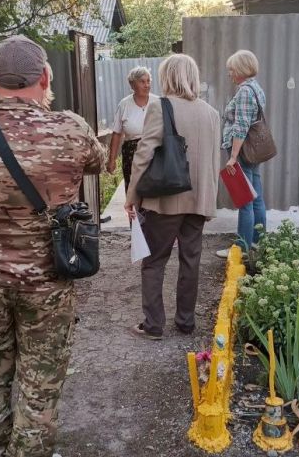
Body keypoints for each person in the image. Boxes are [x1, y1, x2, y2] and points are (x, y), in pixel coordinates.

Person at [0, 35, 104, 457]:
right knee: (40, 376)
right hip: (46, 283)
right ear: (44, 78)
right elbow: (97, 162)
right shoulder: (70, 130)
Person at [124, 54, 221, 340]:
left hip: (165, 200)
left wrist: (132, 195)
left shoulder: (160, 106)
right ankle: (186, 322)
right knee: (191, 260)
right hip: (198, 200)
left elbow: (144, 154)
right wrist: (209, 199)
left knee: (154, 261)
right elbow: (213, 161)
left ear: (169, 77)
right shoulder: (211, 113)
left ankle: (154, 325)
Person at [216, 49, 267, 259]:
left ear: (241, 69)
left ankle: (241, 249)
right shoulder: (256, 88)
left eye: (232, 69)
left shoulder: (245, 91)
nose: (230, 74)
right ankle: (256, 242)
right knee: (256, 199)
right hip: (252, 151)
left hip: (243, 152)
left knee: (245, 200)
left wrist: (233, 156)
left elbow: (242, 126)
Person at [106, 66, 158, 188]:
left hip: (155, 152)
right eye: (142, 81)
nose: (146, 85)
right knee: (133, 190)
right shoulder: (124, 104)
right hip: (131, 154)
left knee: (154, 190)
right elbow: (117, 133)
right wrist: (112, 160)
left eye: (148, 81)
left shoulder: (158, 102)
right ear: (132, 85)